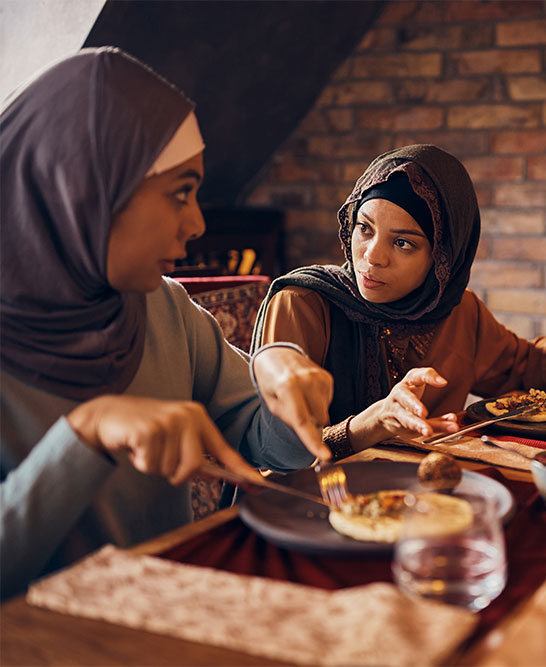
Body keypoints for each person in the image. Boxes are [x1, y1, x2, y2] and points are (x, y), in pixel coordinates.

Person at [0, 48, 338, 597]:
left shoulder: (164, 307)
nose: (199, 222)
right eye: (180, 192)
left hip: (173, 618)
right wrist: (85, 435)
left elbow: (269, 446)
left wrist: (287, 383)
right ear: (84, 190)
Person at [253, 144, 546, 453]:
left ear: (443, 259)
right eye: (365, 229)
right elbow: (272, 450)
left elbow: (518, 371)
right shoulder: (302, 305)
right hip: (312, 508)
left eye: (403, 243)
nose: (371, 256)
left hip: (424, 505)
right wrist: (371, 424)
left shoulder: (457, 311)